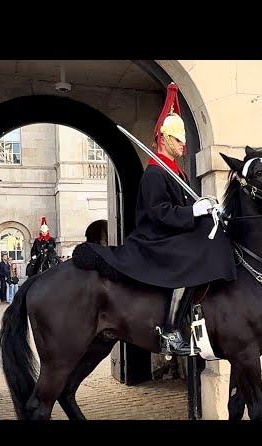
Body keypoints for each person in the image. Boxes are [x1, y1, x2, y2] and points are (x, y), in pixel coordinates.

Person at [82, 83, 237, 356]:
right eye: (179, 140)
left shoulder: (175, 172)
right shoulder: (155, 173)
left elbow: (184, 205)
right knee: (190, 257)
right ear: (165, 139)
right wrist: (192, 212)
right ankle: (171, 329)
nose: (183, 145)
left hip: (173, 233)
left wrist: (205, 206)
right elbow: (159, 213)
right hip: (155, 237)